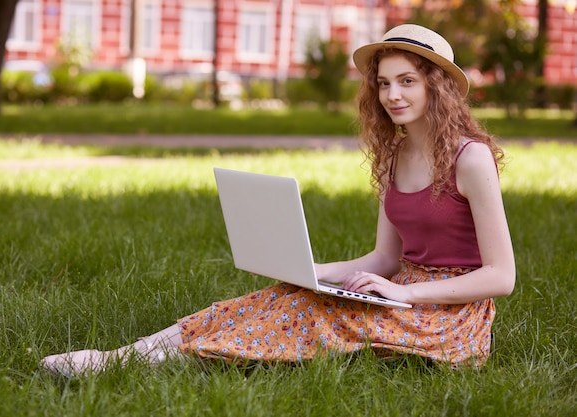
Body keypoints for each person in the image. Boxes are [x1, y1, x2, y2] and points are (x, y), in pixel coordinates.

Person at [41, 24, 515, 376]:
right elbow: (387, 257)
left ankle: (164, 364)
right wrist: (311, 271)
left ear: (439, 85)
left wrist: (405, 293)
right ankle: (124, 356)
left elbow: (501, 276)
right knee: (282, 296)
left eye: (407, 81)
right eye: (384, 82)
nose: (392, 94)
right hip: (403, 295)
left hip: (450, 319)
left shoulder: (469, 160)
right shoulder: (396, 155)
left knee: (315, 315)